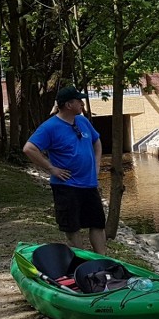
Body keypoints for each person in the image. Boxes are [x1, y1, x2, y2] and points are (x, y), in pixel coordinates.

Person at [23, 85, 107, 255]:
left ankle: (102, 260)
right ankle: (81, 263)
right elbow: (29, 148)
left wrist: (97, 164)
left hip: (89, 184)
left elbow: (96, 141)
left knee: (97, 224)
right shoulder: (50, 127)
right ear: (68, 105)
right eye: (79, 100)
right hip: (66, 186)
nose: (82, 103)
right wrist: (51, 168)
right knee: (72, 227)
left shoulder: (82, 121)